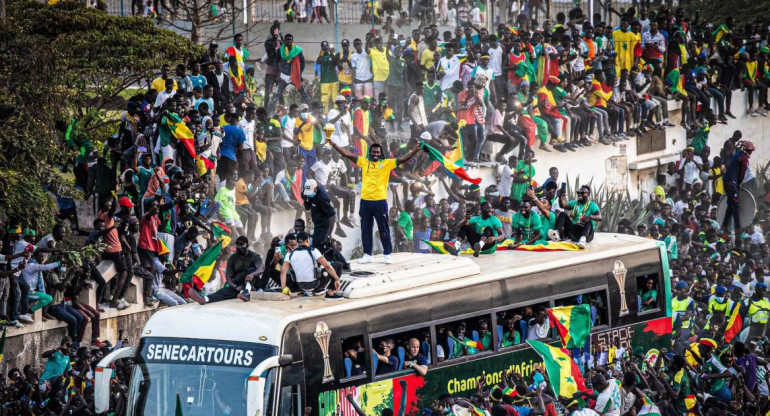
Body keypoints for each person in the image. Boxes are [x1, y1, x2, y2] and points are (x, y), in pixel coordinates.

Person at [327, 139, 420, 264]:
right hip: (365, 202)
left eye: (377, 152)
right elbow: (347, 154)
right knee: (366, 228)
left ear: (380, 153)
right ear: (370, 153)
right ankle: (367, 254)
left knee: (383, 228)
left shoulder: (387, 163)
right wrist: (334, 144)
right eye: (373, 152)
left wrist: (415, 150)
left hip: (380, 201)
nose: (375, 154)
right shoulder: (364, 162)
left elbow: (403, 159)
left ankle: (387, 253)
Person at [189, 236, 263, 304]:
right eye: (237, 244)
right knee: (223, 291)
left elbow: (261, 269)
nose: (239, 247)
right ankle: (205, 299)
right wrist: (234, 286)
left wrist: (252, 274)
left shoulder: (254, 256)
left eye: (241, 244)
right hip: (238, 285)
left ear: (247, 245)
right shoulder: (232, 258)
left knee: (251, 270)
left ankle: (246, 293)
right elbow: (228, 276)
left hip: (252, 284)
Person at [279, 232, 342, 299]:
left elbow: (283, 272)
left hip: (300, 285)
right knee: (338, 265)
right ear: (308, 240)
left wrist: (284, 288)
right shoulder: (313, 251)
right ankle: (330, 293)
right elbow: (327, 266)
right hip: (315, 284)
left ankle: (310, 291)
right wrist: (337, 279)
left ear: (297, 242)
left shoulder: (290, 254)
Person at [722, 140, 753, 234]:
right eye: (750, 151)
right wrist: (739, 183)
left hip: (728, 181)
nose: (750, 153)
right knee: (735, 205)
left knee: (731, 205)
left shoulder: (737, 155)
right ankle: (737, 227)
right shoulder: (743, 157)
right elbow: (742, 172)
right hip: (731, 182)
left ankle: (724, 225)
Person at [302, 179, 336, 250]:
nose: (309, 195)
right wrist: (305, 200)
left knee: (319, 248)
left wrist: (328, 235)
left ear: (315, 189)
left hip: (324, 226)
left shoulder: (322, 199)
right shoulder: (308, 193)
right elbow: (308, 207)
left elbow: (332, 216)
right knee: (315, 246)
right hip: (316, 225)